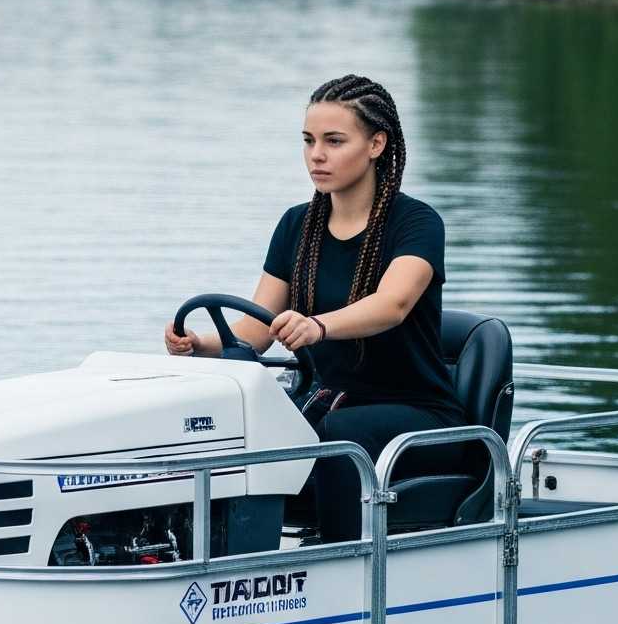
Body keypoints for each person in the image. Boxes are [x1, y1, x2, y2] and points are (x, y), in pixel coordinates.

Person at [163, 73, 464, 543]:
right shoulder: (296, 226)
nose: (316, 155)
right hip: (330, 400)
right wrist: (199, 344)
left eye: (334, 141)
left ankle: (339, 559)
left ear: (376, 144)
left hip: (422, 416)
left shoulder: (417, 223)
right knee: (232, 420)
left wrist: (318, 326)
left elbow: (393, 303)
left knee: (340, 431)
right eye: (308, 141)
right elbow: (255, 330)